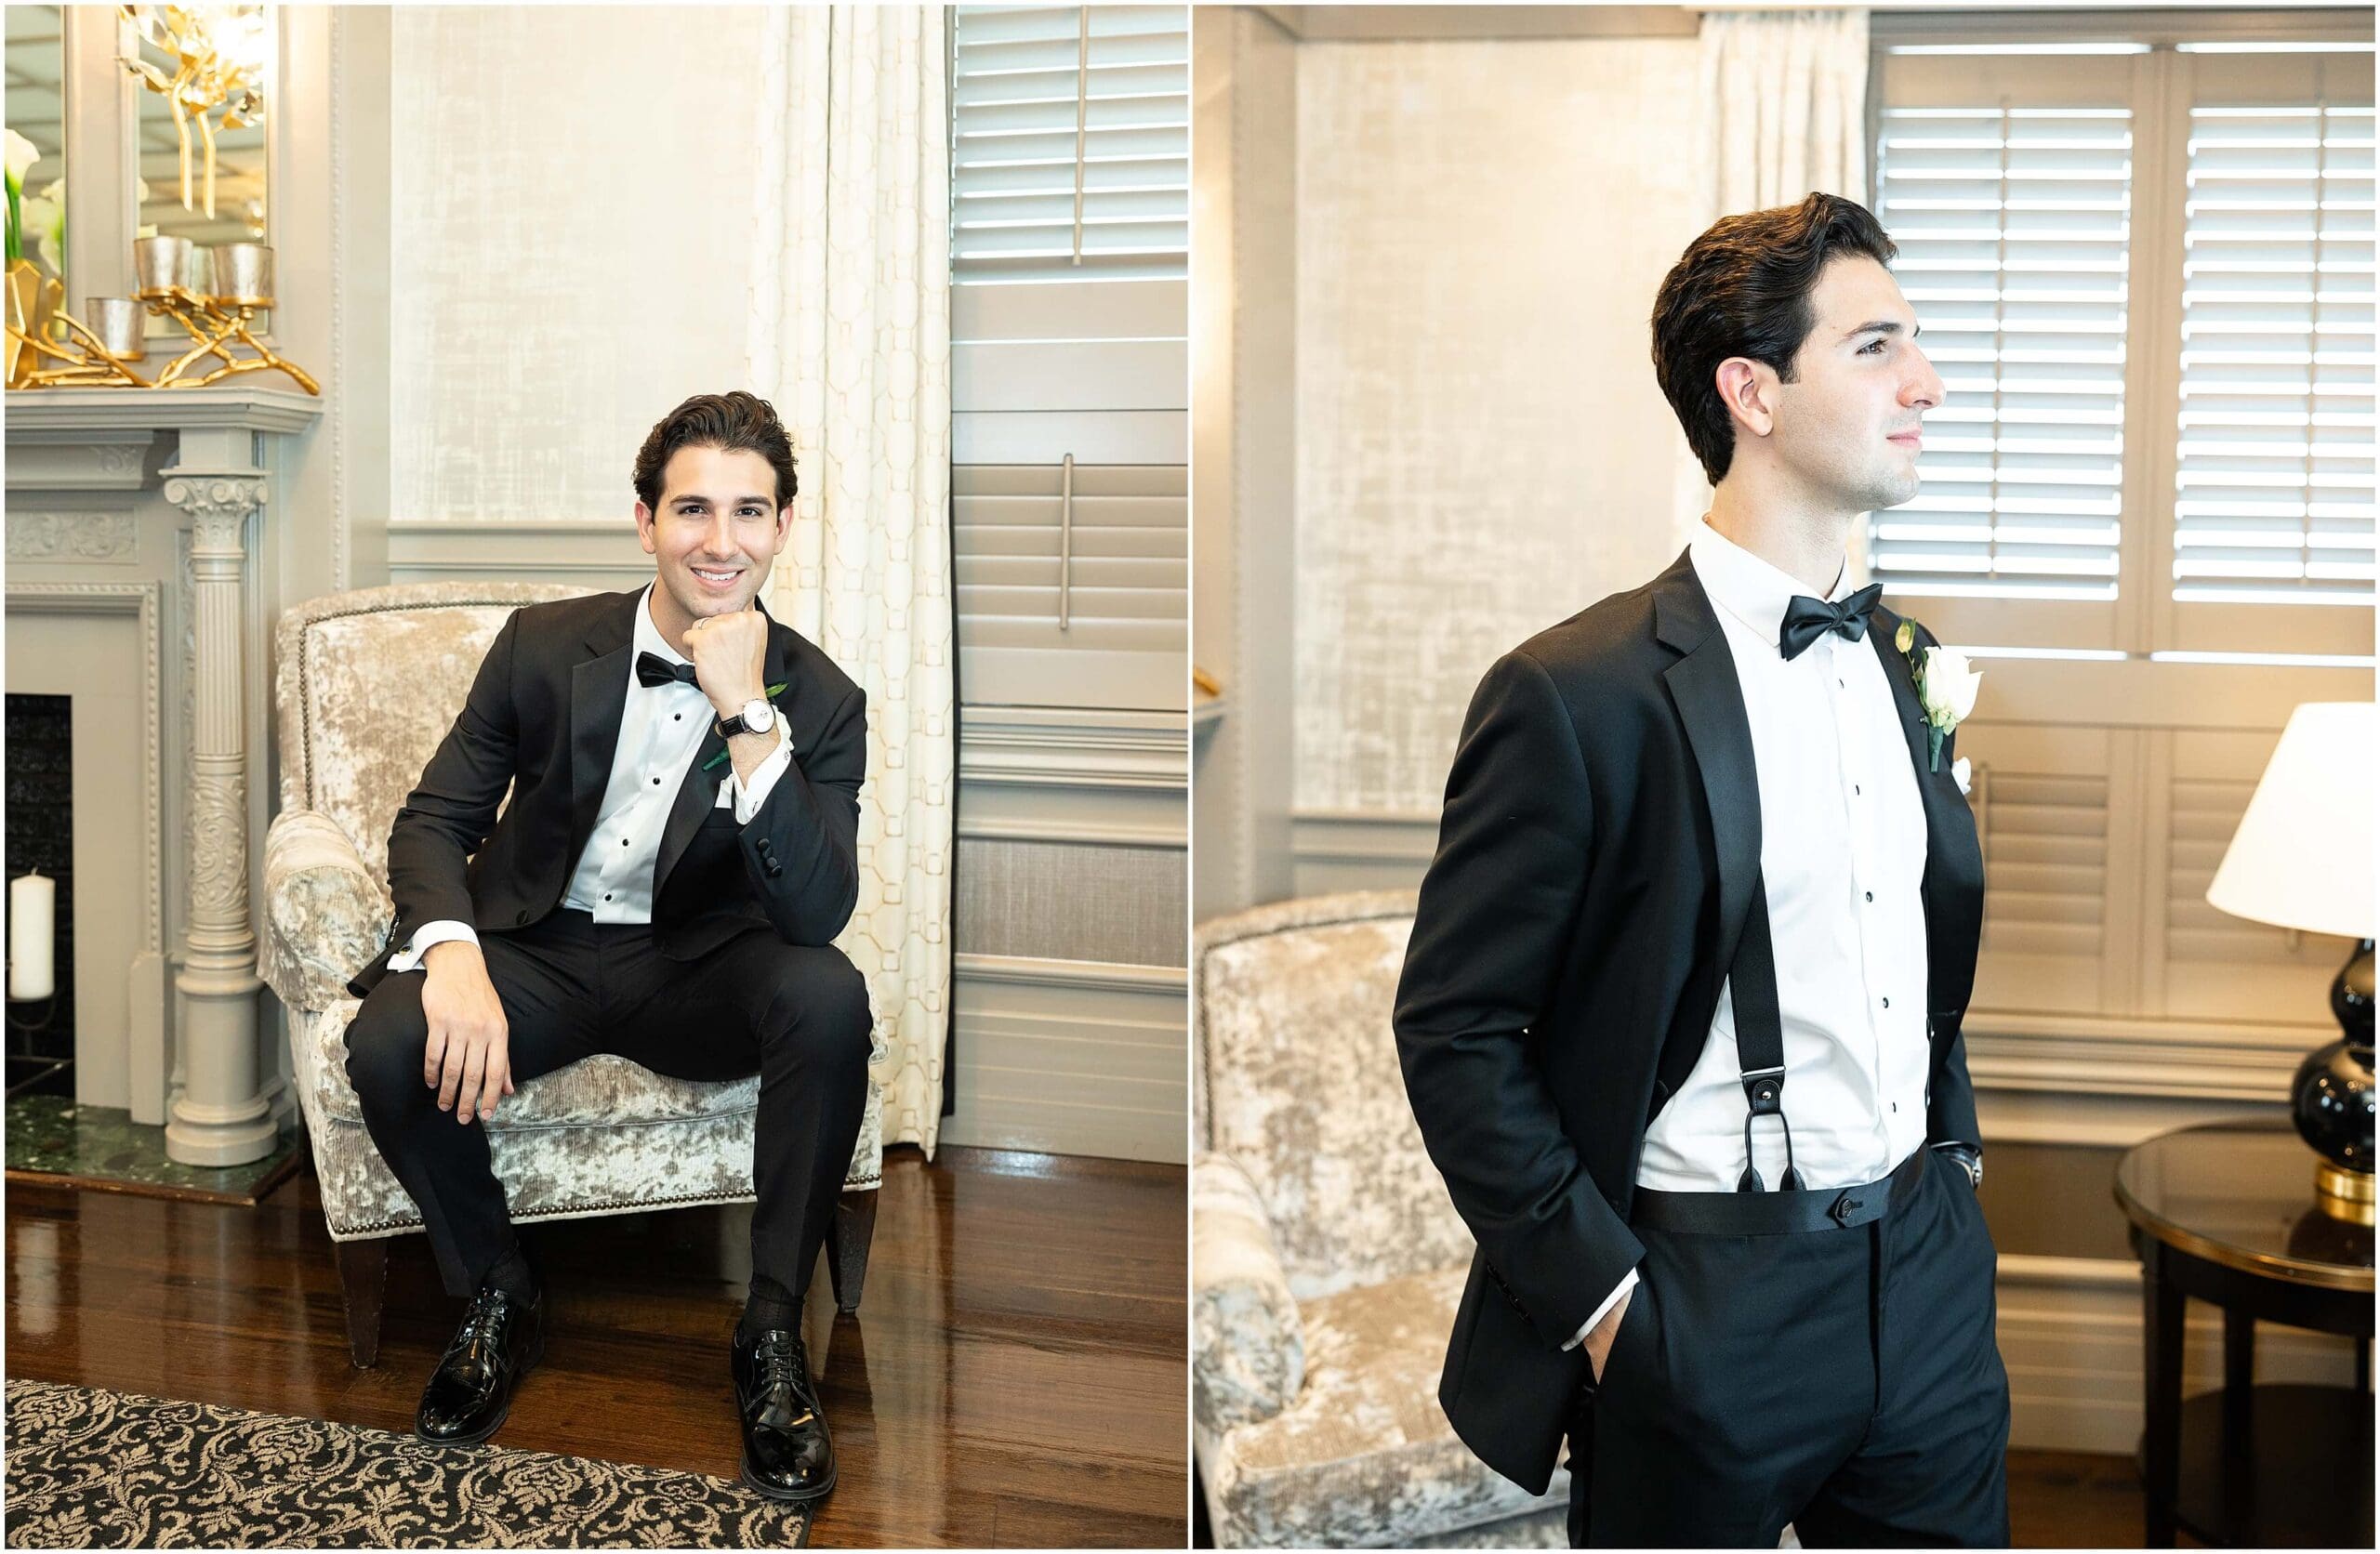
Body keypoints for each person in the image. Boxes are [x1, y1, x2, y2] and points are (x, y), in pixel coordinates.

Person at [1394, 193, 2009, 1547]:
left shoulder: (1907, 668)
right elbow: (1454, 1028)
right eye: (1877, 348)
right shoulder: (1574, 693)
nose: (1929, 384)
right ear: (1754, 392)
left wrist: (1950, 1175)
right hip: (1702, 1297)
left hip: (1927, 1284)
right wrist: (1614, 1307)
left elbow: (1926, 957)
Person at [341, 390, 871, 1503]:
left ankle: (770, 1332)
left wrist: (746, 714)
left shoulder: (819, 700)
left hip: (694, 967)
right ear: (645, 522)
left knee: (828, 995)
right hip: (534, 946)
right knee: (387, 1040)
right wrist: (453, 956)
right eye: (691, 510)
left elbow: (817, 908)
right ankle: (496, 1289)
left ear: (784, 526)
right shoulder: (542, 645)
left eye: (748, 512)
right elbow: (435, 819)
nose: (719, 542)